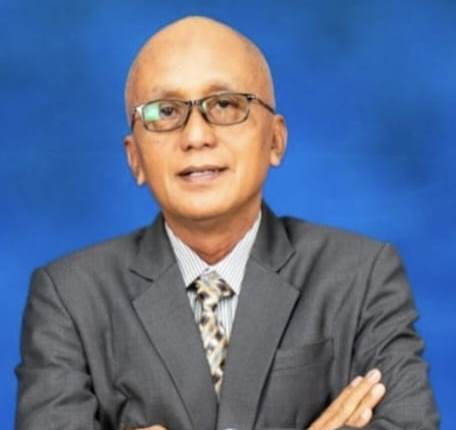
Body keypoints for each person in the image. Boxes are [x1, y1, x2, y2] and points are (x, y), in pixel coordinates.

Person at [15, 16, 439, 430]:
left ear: (275, 140)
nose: (196, 136)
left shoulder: (361, 277)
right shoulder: (69, 297)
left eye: (224, 105)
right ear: (134, 158)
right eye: (165, 111)